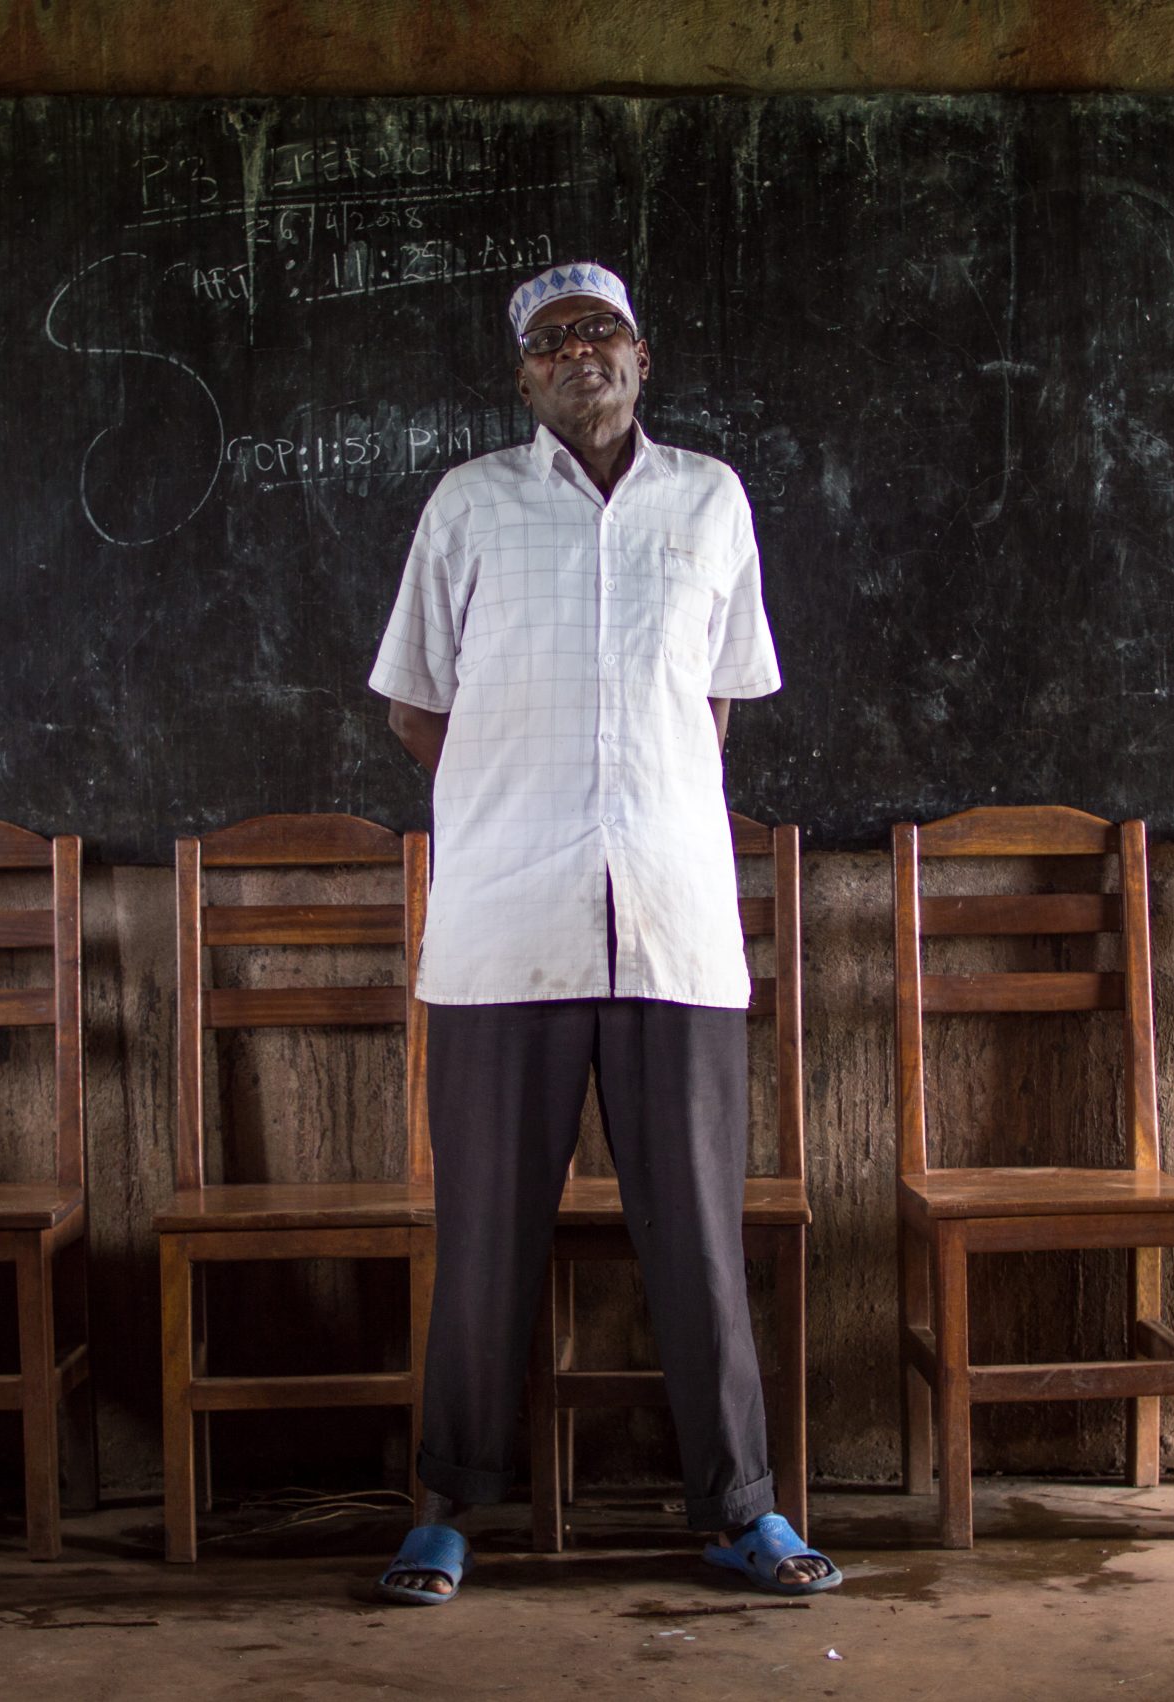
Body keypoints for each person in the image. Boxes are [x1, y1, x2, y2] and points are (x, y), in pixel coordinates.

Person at [365, 261, 841, 1604]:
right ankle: (449, 1507)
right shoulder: (469, 504)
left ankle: (743, 1510)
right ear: (524, 373)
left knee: (695, 1232)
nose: (586, 353)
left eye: (607, 331)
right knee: (484, 1238)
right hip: (503, 924)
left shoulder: (712, 502)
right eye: (556, 338)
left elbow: (717, 700)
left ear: (643, 356)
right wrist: (516, 797)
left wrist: (641, 801)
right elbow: (417, 708)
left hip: (677, 923)